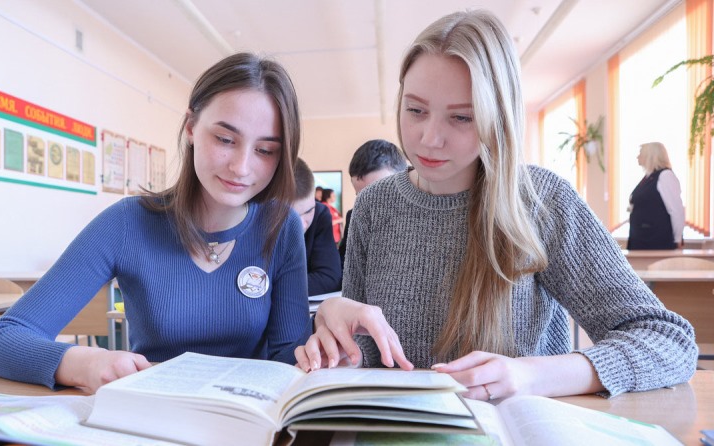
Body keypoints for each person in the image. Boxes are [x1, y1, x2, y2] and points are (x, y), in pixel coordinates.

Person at [295, 10, 697, 402]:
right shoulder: (373, 207)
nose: (429, 138)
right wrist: (340, 347)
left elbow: (667, 340)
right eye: (415, 110)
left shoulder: (542, 201)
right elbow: (368, 349)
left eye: (462, 118)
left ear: (497, 117)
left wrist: (532, 374)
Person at [0, 52, 312, 393]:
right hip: (149, 415)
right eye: (226, 140)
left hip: (246, 418)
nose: (241, 167)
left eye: (265, 150)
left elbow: (290, 358)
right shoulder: (128, 223)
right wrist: (82, 362)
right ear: (191, 127)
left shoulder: (281, 225)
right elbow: (2, 340)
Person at [338, 139, 408, 266]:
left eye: (380, 195)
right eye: (361, 198)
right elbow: (344, 267)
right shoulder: (354, 217)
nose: (371, 206)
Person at [291, 158, 342, 295]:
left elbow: (329, 278)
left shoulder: (320, 214)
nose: (301, 225)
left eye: (308, 212)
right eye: (290, 217)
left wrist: (268, 285)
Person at [627, 142, 685, 250]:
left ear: (650, 156)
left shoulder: (665, 176)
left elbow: (676, 211)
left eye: (640, 154)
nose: (637, 157)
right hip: (641, 240)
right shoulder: (649, 177)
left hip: (656, 242)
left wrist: (677, 239)